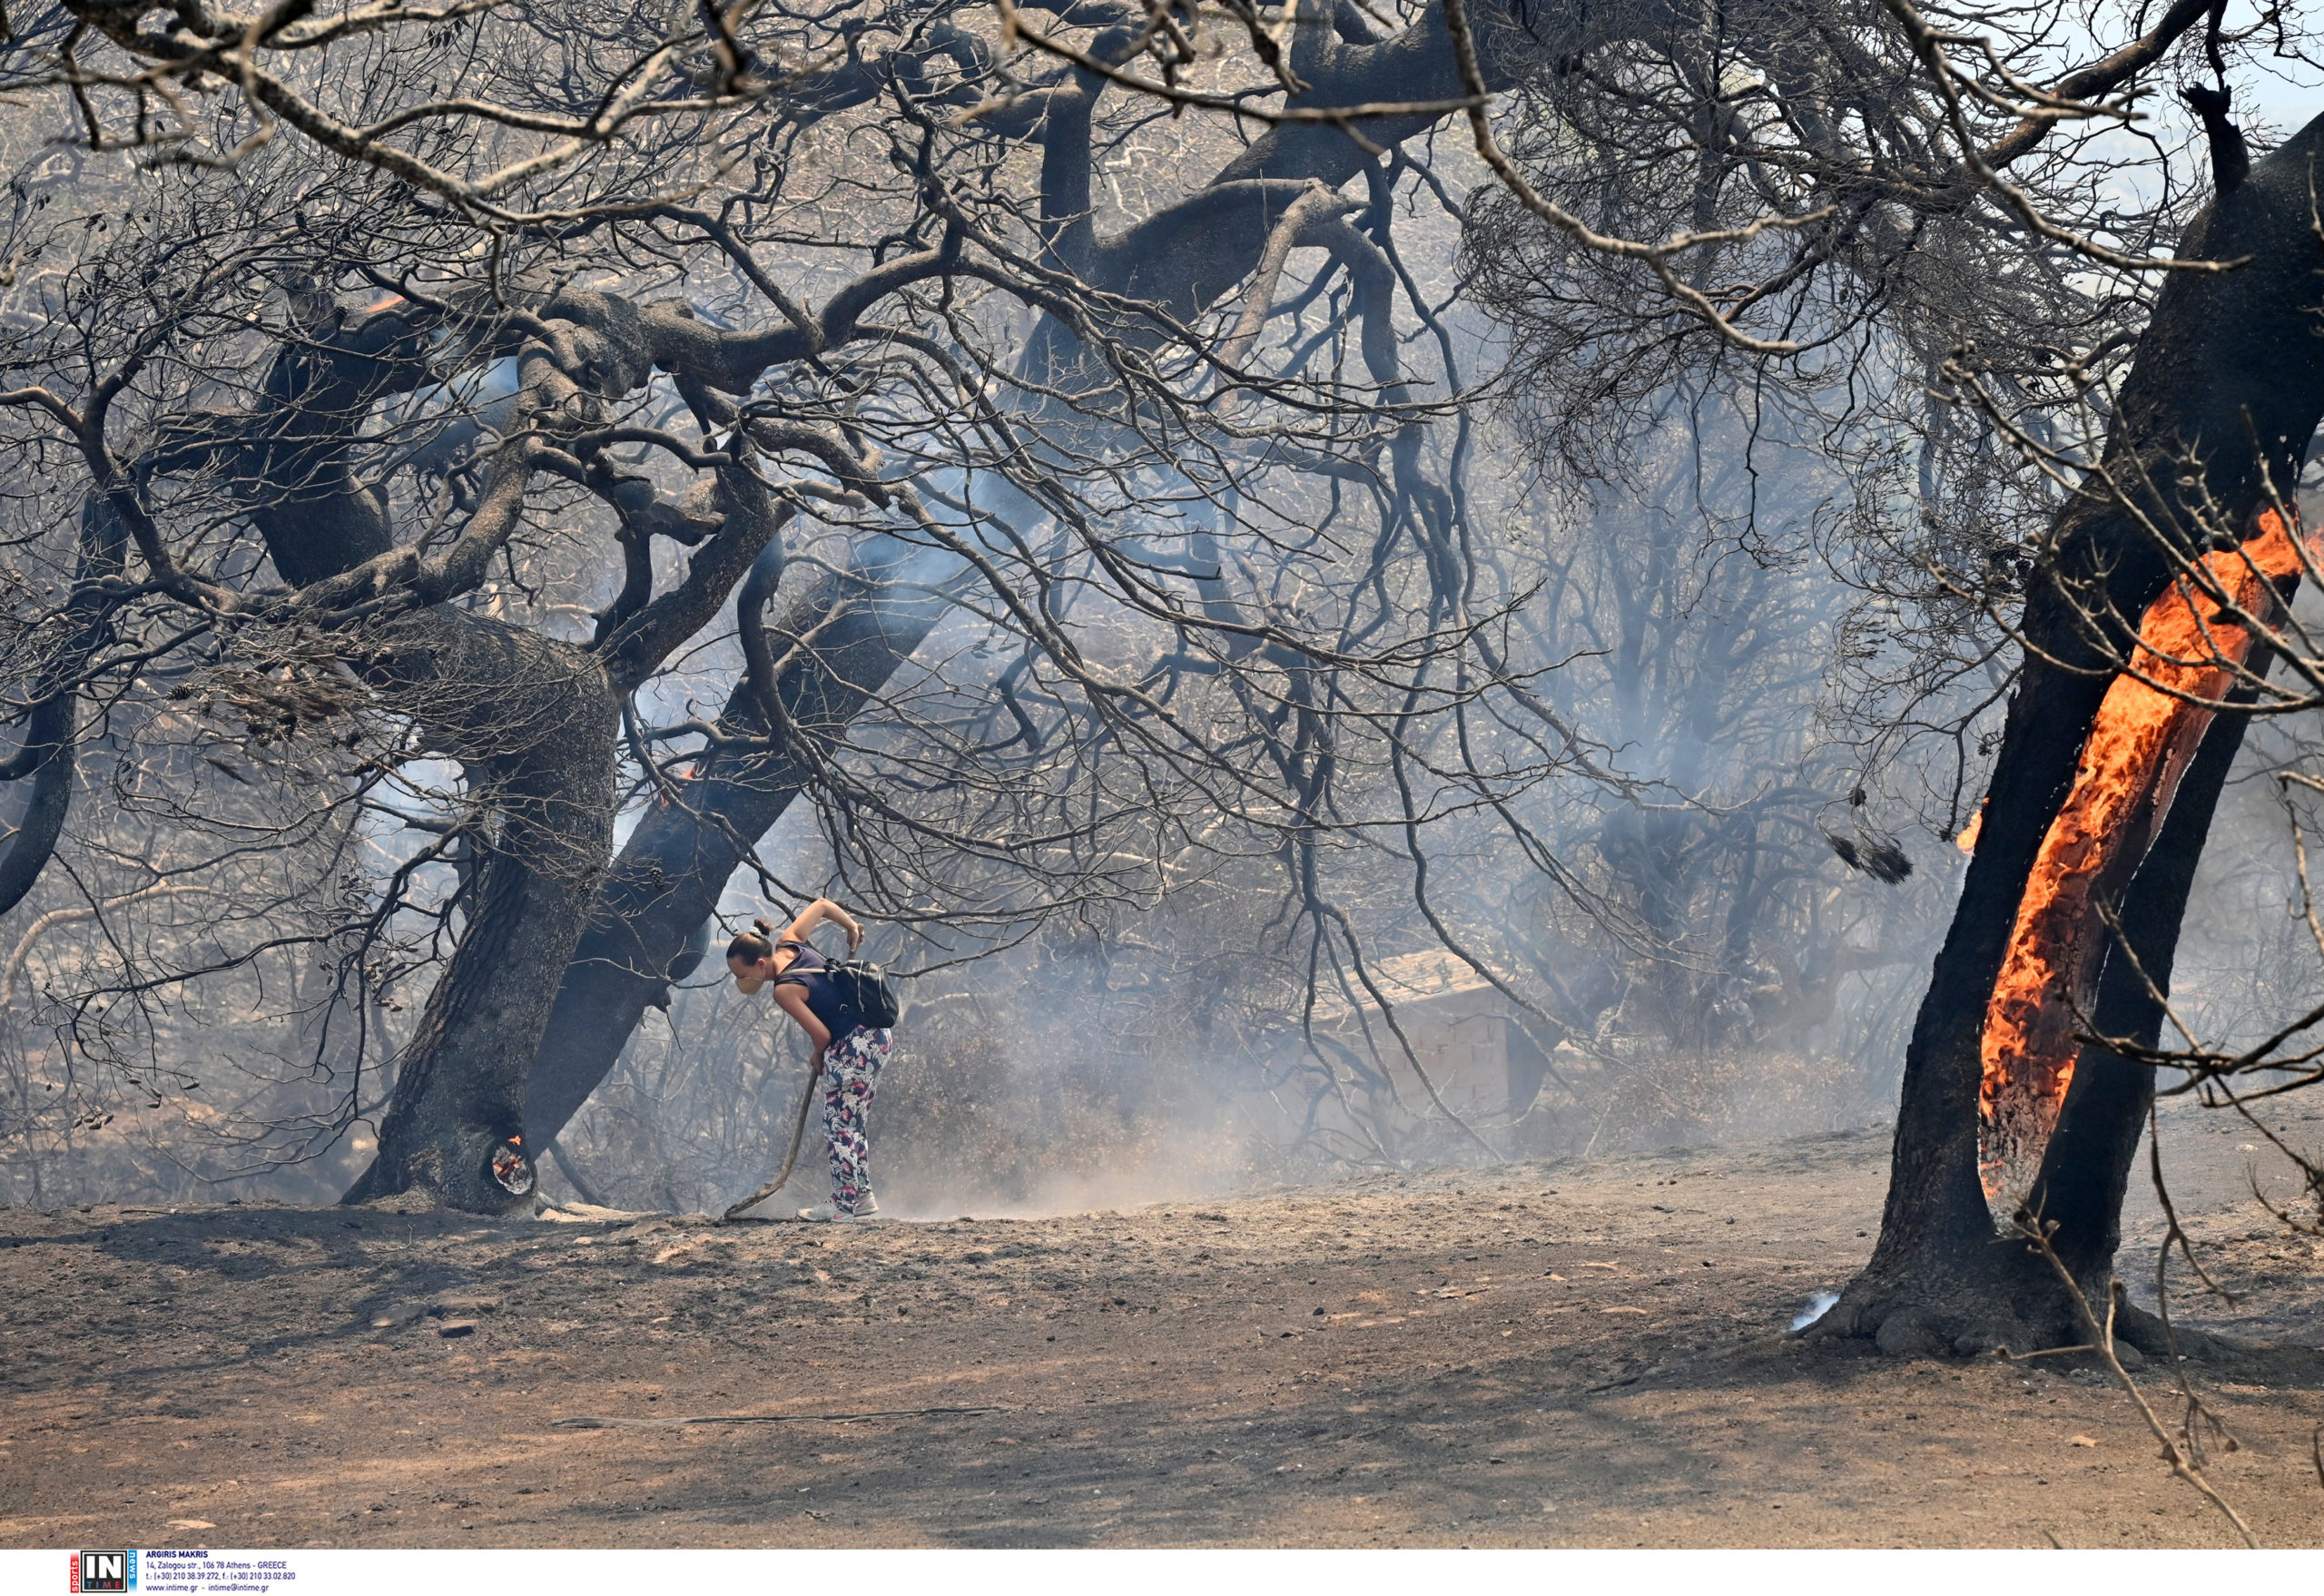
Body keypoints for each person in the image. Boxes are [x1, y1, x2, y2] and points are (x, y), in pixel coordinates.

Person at [726, 898, 892, 1222]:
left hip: (854, 1046)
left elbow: (822, 1036)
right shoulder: (790, 941)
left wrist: (818, 1056)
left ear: (761, 965)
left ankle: (844, 1204)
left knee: (838, 1125)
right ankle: (860, 1196)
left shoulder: (784, 990)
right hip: (877, 1038)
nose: (740, 981)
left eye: (741, 973)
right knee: (852, 1122)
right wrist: (850, 927)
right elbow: (821, 905)